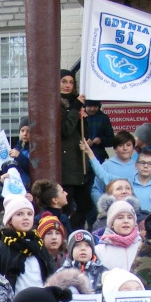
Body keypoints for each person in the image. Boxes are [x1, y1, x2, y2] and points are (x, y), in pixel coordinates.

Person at [0, 195, 54, 290]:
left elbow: (50, 275)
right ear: (10, 220)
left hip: (41, 301)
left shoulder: (39, 246)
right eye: (19, 214)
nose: (26, 218)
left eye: (29, 214)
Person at [59, 71, 92, 229]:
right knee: (66, 208)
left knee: (86, 206)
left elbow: (83, 133)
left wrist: (82, 118)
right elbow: (65, 129)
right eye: (64, 81)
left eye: (71, 82)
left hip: (79, 164)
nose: (67, 85)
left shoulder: (75, 103)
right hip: (66, 167)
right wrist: (75, 108)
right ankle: (68, 235)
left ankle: (74, 233)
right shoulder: (57, 104)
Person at [95, 200, 141, 271]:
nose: (126, 221)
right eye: (120, 217)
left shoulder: (142, 246)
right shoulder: (99, 250)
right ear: (112, 224)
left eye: (129, 217)